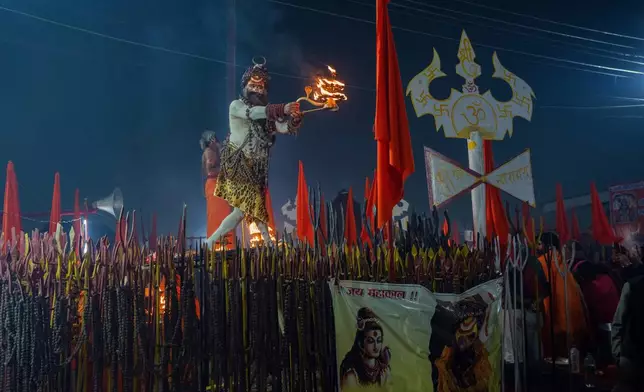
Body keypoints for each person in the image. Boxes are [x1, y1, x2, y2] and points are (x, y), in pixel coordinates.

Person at [205, 57, 302, 248]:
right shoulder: (236, 106)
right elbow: (254, 113)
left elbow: (282, 127)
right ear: (245, 86)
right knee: (243, 211)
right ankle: (211, 242)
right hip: (238, 163)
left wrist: (294, 120)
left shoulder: (264, 115)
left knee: (255, 208)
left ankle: (268, 244)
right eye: (253, 85)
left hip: (256, 169)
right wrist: (282, 108)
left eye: (261, 87)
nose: (257, 89)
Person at [536, 232, 588, 358]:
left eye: (539, 244)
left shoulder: (542, 263)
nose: (537, 247)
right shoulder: (562, 262)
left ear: (546, 245)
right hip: (569, 320)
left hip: (552, 318)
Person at [339, 307, 391, 390]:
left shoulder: (384, 370)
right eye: (370, 341)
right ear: (360, 343)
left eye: (379, 340)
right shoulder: (352, 373)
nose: (376, 346)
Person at [201, 131, 235, 248]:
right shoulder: (209, 152)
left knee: (226, 215)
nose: (216, 140)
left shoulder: (215, 150)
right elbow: (211, 168)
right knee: (217, 217)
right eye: (213, 139)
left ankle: (228, 245)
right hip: (214, 185)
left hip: (220, 185)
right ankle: (217, 246)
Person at [611, 274, 644, 391]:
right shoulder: (632, 285)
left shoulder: (632, 285)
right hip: (631, 356)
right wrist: (618, 354)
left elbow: (618, 322)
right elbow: (618, 322)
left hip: (630, 355)